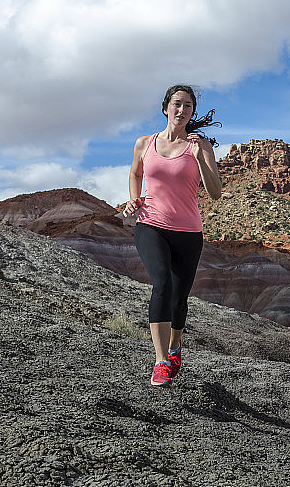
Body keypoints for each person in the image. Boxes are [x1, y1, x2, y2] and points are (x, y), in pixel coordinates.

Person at [122, 84, 222, 386]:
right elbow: (135, 172)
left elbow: (215, 193)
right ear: (166, 107)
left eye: (188, 106)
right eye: (177, 104)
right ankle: (161, 360)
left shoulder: (199, 147)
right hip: (150, 224)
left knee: (179, 299)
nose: (181, 110)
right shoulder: (145, 143)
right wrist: (134, 198)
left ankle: (176, 344)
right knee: (162, 284)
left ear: (192, 112)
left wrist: (203, 154)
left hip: (188, 232)